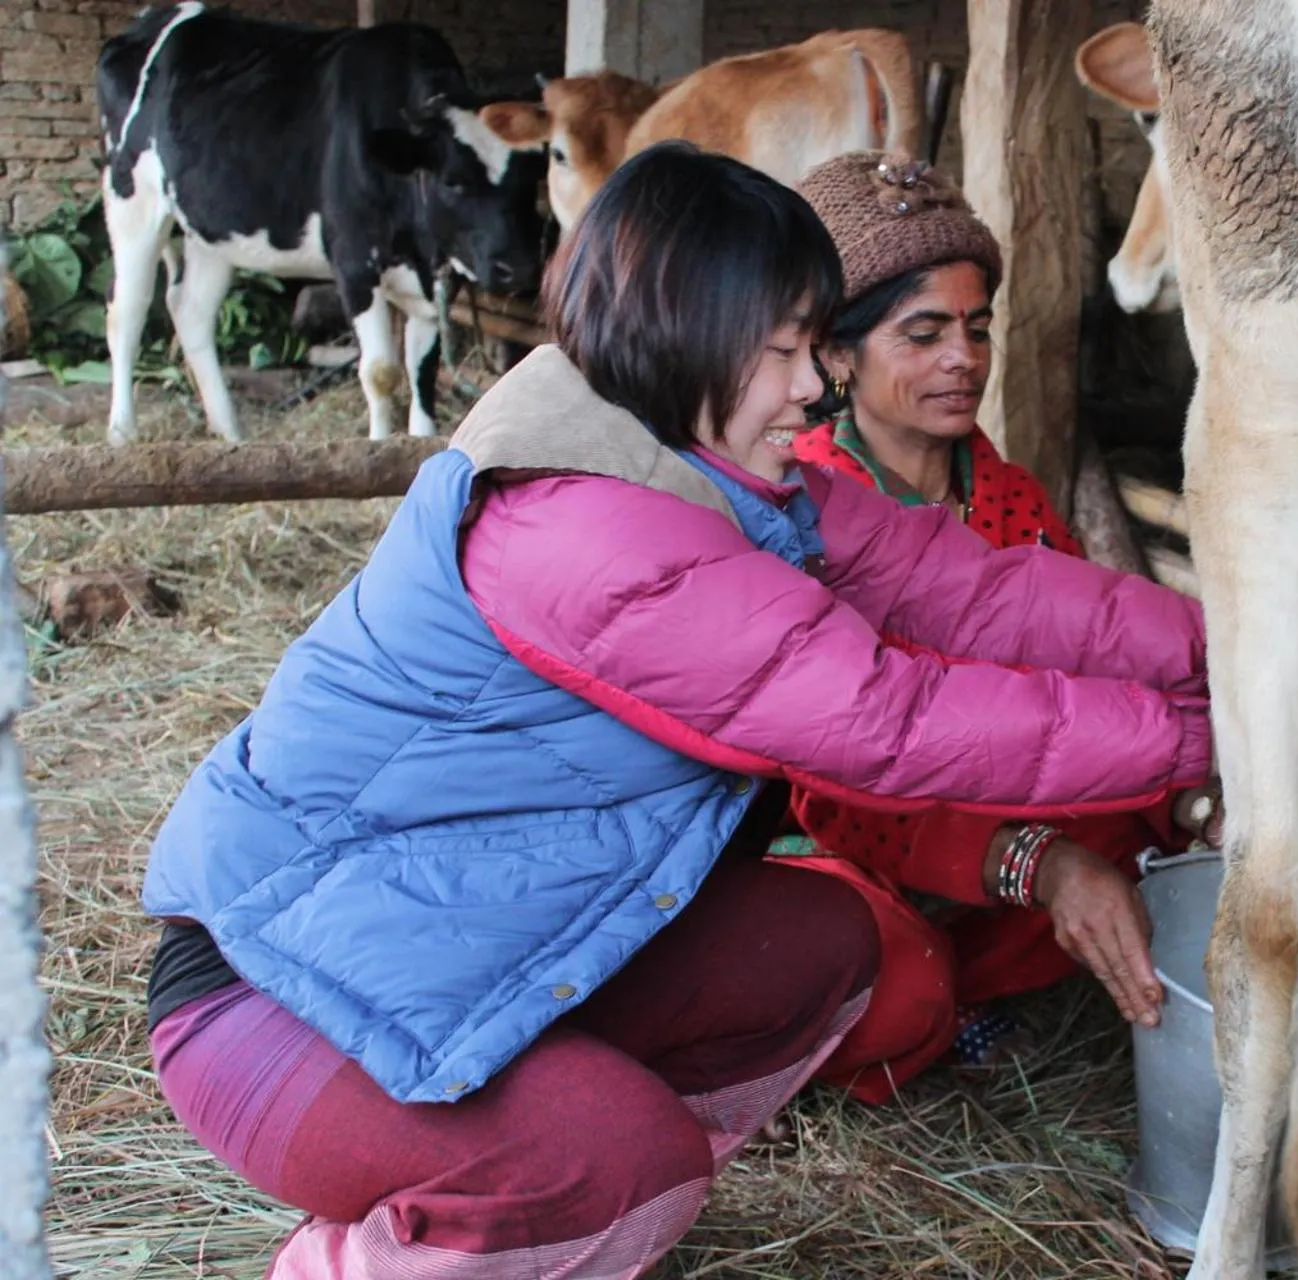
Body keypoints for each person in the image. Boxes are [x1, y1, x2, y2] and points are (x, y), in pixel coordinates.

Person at [139, 142, 1216, 1279]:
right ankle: (431, 1234)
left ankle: (559, 1211)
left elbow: (972, 587)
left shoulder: (712, 478)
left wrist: (1222, 661)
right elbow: (891, 719)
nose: (815, 387)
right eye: (787, 350)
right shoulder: (586, 529)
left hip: (444, 940)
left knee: (824, 946)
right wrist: (1212, 737)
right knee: (618, 1160)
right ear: (688, 330)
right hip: (271, 986)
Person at [763, 151, 1224, 1104]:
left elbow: (1095, 680)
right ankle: (927, 990)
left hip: (983, 804)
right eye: (924, 333)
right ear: (838, 354)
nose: (963, 359)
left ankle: (982, 967)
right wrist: (1043, 864)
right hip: (840, 840)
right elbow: (837, 780)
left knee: (1163, 819)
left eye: (976, 330)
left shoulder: (1004, 492)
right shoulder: (803, 510)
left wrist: (1199, 792)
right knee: (898, 998)